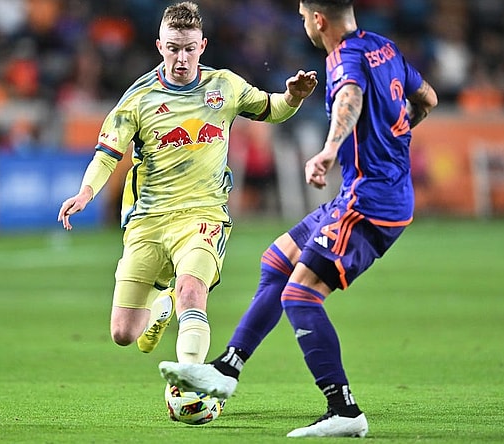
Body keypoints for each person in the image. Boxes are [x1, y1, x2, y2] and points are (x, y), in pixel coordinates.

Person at [159, 0, 438, 438]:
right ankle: (227, 369)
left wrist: (329, 150)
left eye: (305, 15)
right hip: (371, 192)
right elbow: (427, 99)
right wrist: (389, 141)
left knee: (300, 296)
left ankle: (344, 409)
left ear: (319, 20)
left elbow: (350, 97)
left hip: (368, 203)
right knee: (276, 262)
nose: (303, 22)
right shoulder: (383, 47)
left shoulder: (343, 59)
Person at [57, 1, 317, 369]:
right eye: (173, 48)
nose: (182, 59)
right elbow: (107, 155)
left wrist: (293, 97)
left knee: (192, 290)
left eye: (189, 49)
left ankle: (189, 384)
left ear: (203, 46)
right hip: (148, 219)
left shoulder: (224, 86)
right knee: (123, 333)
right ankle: (161, 308)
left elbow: (272, 109)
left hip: (203, 215)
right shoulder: (138, 99)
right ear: (159, 46)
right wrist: (86, 192)